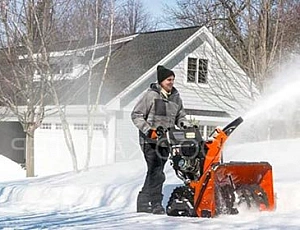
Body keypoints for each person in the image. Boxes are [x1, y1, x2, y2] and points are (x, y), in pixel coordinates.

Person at [131, 65, 190, 214]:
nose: (171, 82)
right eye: (168, 79)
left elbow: (180, 116)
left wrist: (184, 125)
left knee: (155, 170)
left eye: (173, 79)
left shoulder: (176, 97)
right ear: (161, 81)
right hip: (149, 141)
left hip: (166, 140)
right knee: (156, 170)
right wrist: (148, 131)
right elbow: (136, 115)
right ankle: (156, 203)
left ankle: (143, 201)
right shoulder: (151, 95)